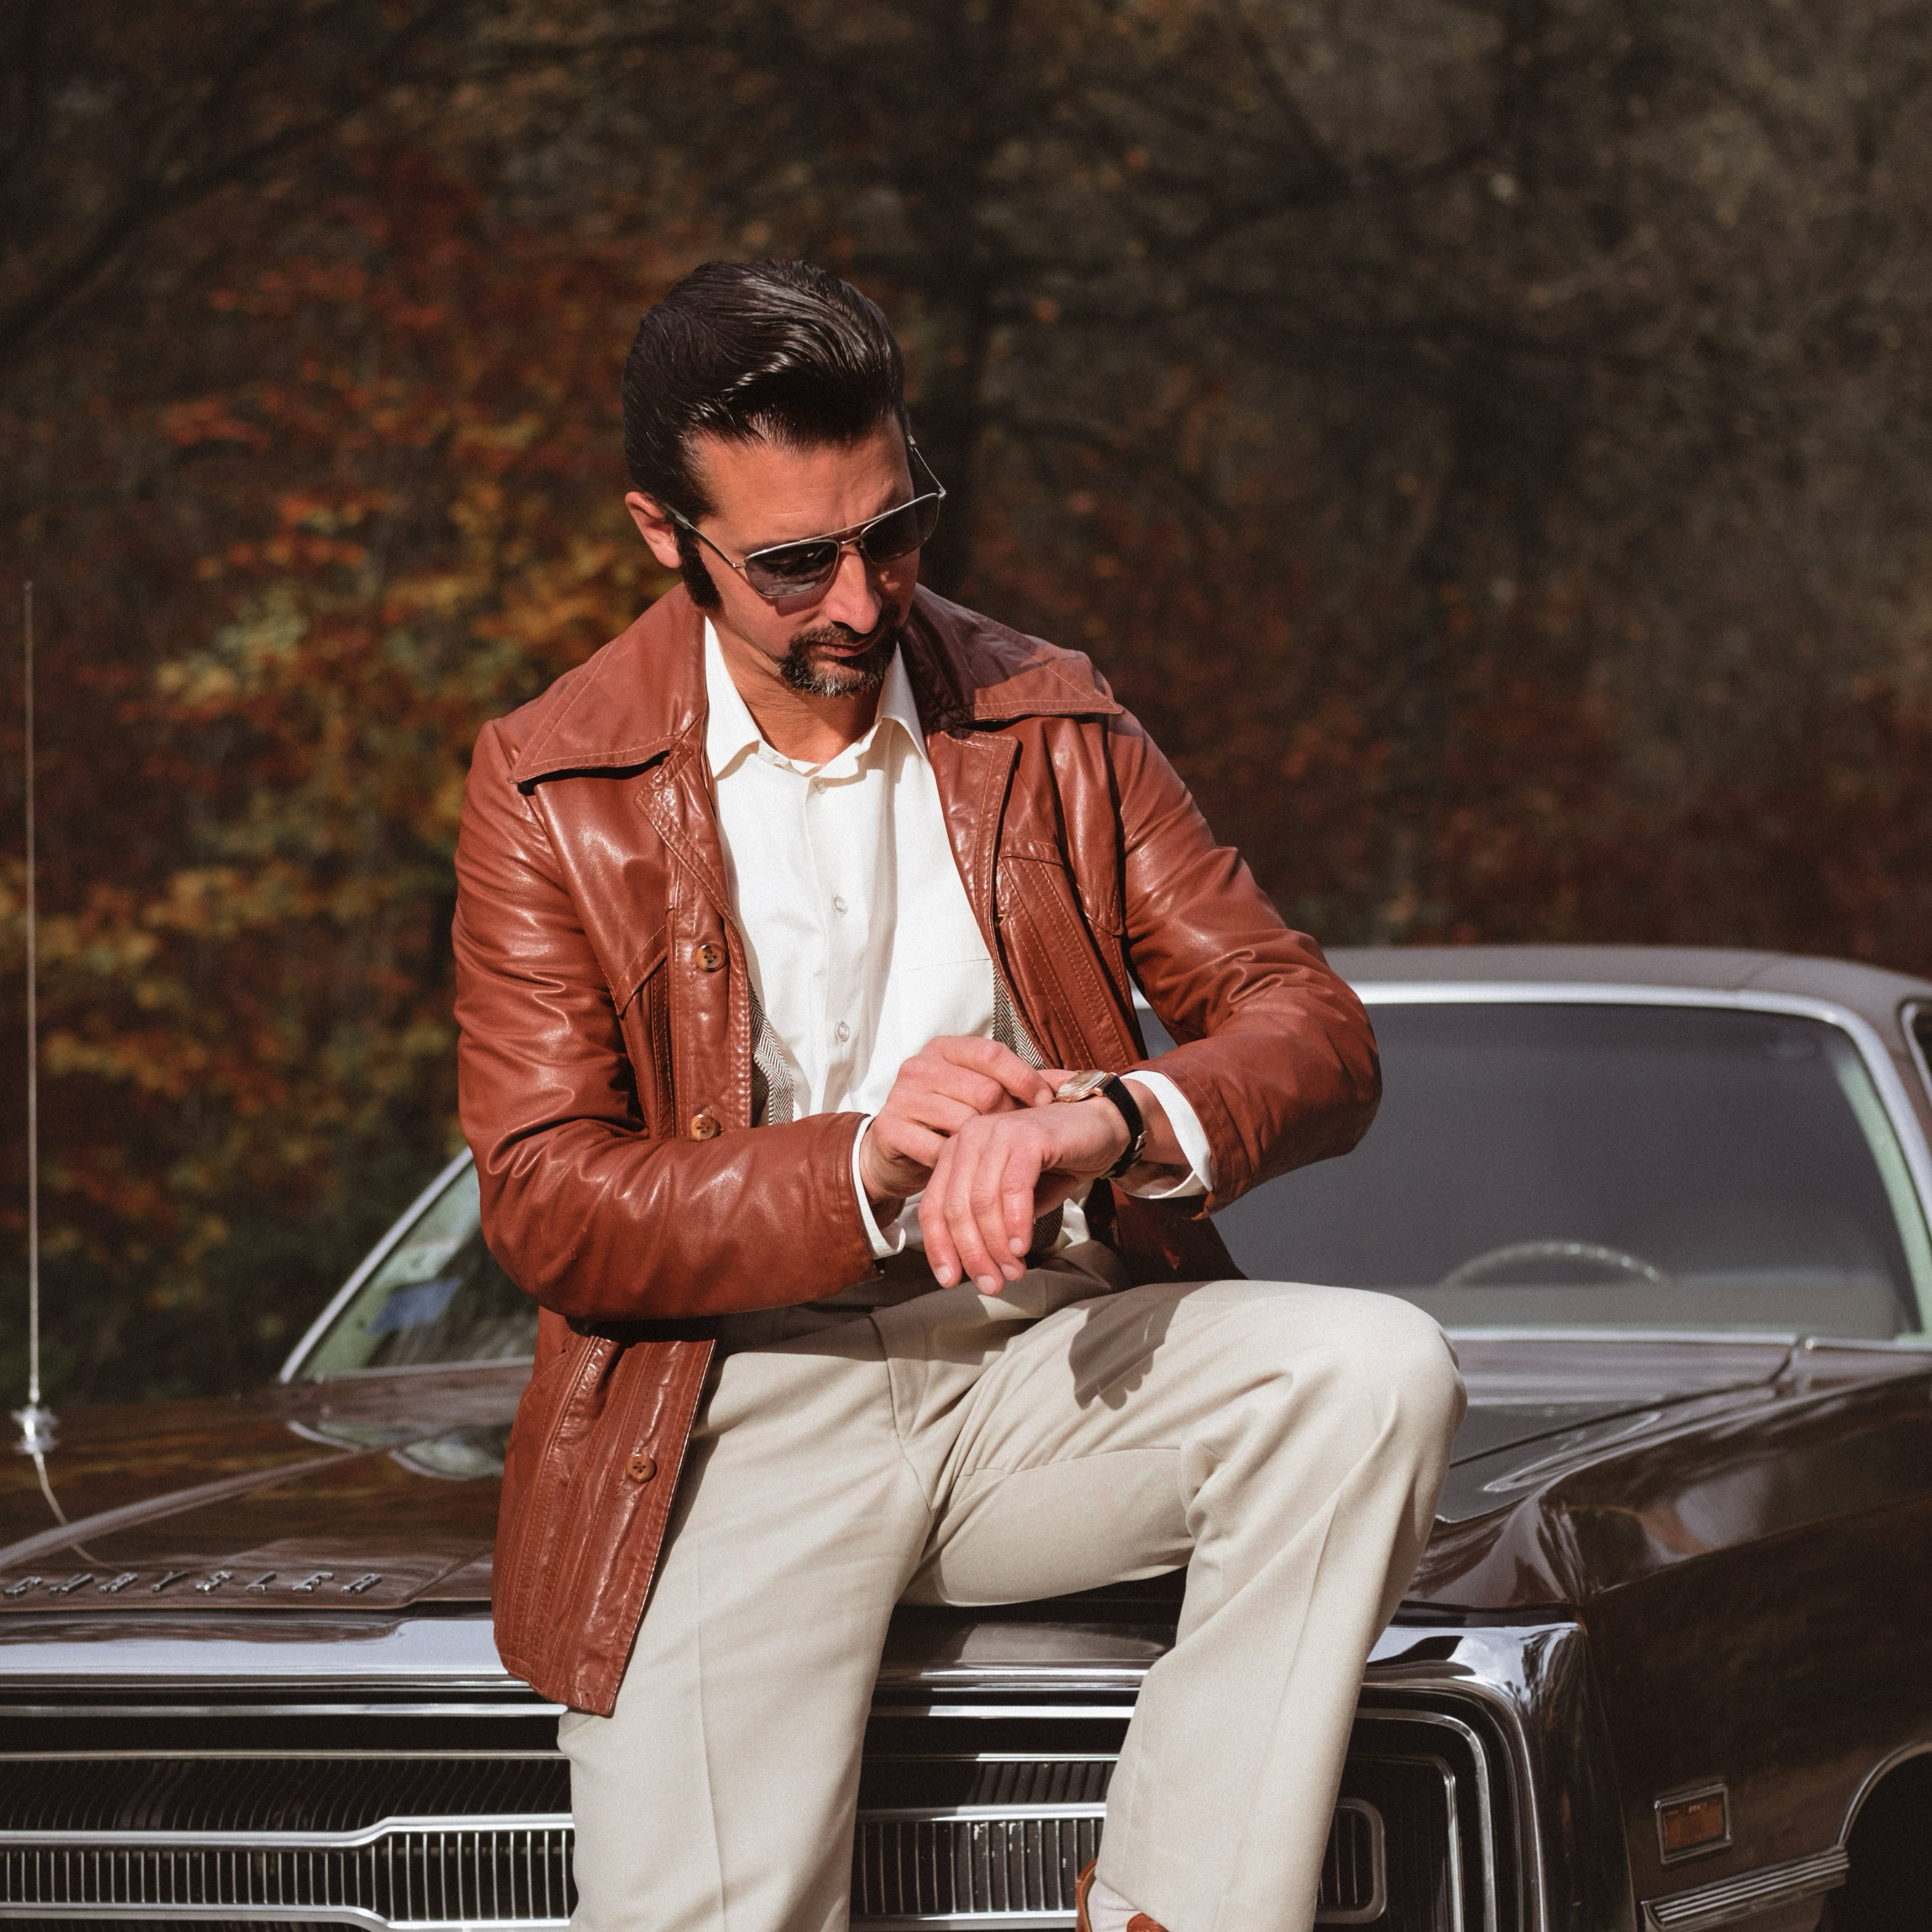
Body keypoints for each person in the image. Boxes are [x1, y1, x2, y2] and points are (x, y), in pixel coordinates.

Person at [452, 258, 1464, 1932]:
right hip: (730, 1412)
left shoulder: (1048, 714)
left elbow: (1309, 1027)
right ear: (662, 535)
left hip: (1040, 1371)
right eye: (794, 563)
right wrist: (864, 1159)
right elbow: (550, 1201)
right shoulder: (553, 778)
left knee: (1368, 1372)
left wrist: (1109, 1120)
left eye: (896, 531)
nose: (860, 602)